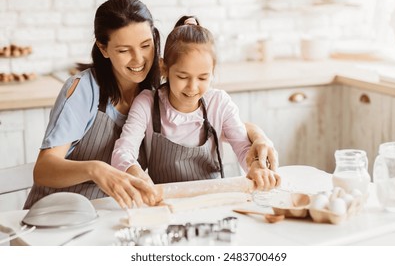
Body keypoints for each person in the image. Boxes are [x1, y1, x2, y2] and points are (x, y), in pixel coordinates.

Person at [23, 0, 277, 210]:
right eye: (124, 50)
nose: (139, 59)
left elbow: (211, 119)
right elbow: (43, 169)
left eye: (146, 45)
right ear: (103, 48)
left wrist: (258, 136)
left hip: (112, 212)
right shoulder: (85, 90)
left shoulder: (159, 89)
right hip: (58, 213)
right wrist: (95, 169)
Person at [111, 15, 280, 200]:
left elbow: (243, 147)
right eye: (183, 77)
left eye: (202, 78)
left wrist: (257, 167)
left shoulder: (219, 103)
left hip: (215, 200)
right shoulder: (147, 103)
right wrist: (138, 175)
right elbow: (122, 152)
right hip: (165, 202)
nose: (192, 87)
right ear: (164, 68)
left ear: (212, 73)